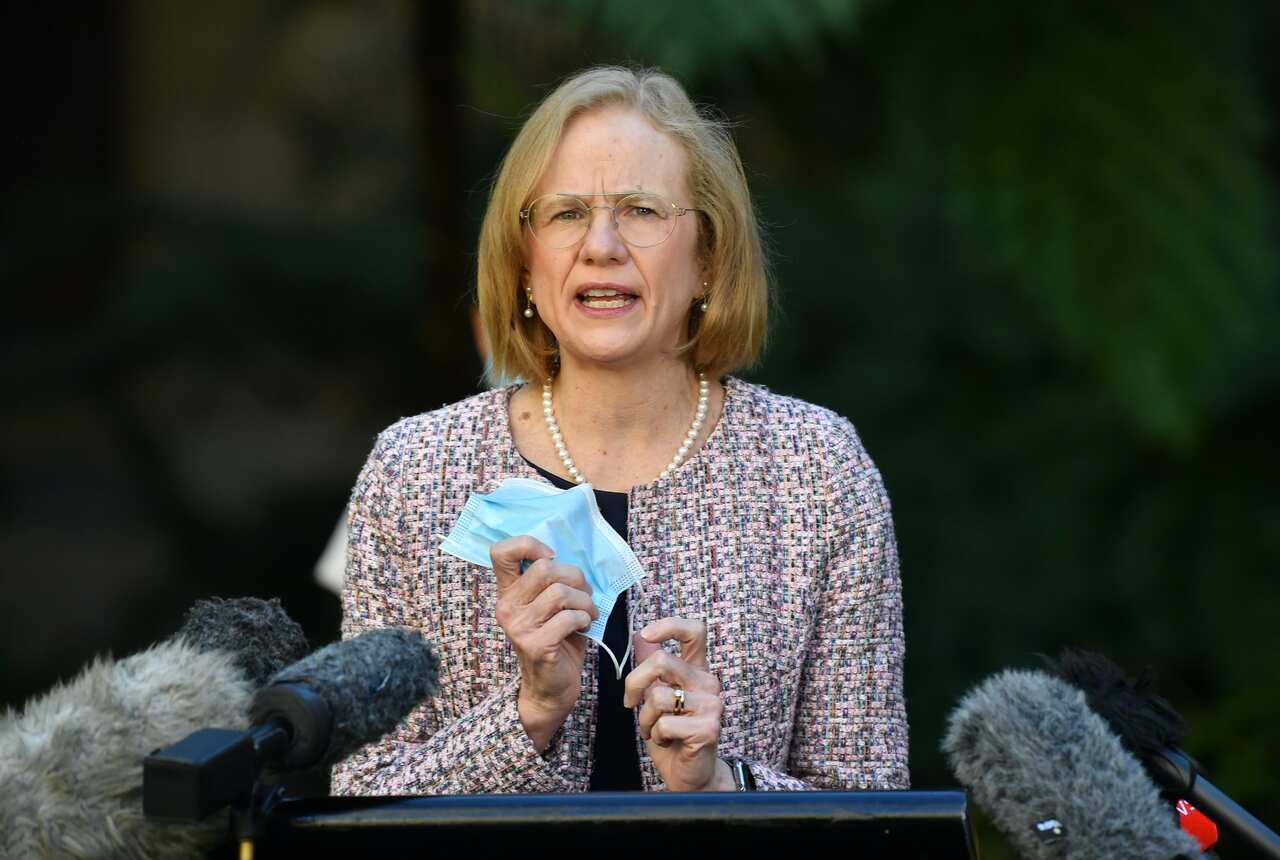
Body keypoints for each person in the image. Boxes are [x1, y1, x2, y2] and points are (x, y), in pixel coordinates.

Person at [332, 66, 909, 794]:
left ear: (708, 257)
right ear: (524, 263)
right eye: (566, 213)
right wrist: (528, 714)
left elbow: (873, 816)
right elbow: (363, 805)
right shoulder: (417, 472)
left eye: (640, 210)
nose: (601, 245)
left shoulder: (817, 472)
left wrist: (716, 786)